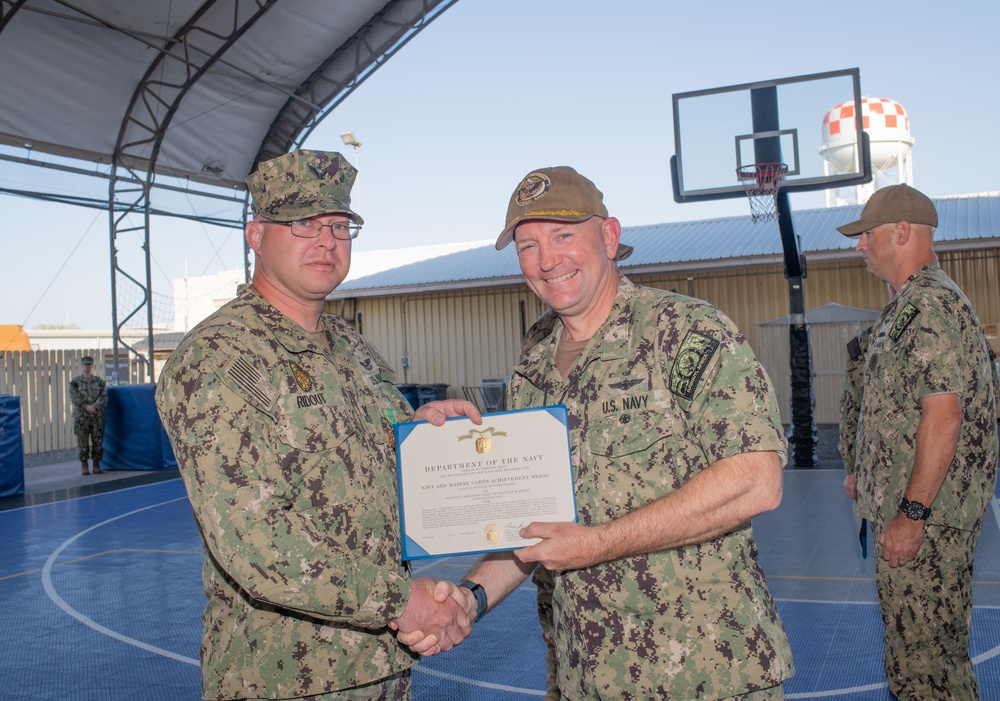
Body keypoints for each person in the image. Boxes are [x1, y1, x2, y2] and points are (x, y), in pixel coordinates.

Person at [404, 166, 795, 699]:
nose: (547, 261)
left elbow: (756, 480)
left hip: (704, 674)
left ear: (609, 236)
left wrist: (600, 544)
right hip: (583, 674)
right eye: (527, 246)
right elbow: (530, 528)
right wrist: (469, 596)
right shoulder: (534, 365)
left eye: (564, 236)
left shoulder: (684, 332)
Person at [155, 149, 477, 701]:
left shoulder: (351, 346)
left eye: (339, 225)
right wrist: (401, 601)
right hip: (282, 676)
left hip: (379, 666)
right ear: (256, 235)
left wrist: (419, 432)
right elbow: (255, 541)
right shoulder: (220, 357)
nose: (327, 240)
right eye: (303, 223)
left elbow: (374, 461)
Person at [836, 183, 999, 700]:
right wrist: (868, 472)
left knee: (928, 671)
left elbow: (943, 416)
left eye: (866, 234)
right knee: (916, 662)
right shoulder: (909, 307)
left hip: (927, 527)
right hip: (918, 520)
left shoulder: (929, 306)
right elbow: (901, 409)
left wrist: (910, 515)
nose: (859, 246)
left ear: (902, 232)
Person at [69, 355, 106, 475]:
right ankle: (84, 465)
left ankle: (96, 464)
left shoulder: (99, 381)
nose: (87, 367)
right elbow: (74, 398)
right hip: (81, 417)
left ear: (92, 366)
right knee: (82, 443)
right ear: (81, 366)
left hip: (96, 416)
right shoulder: (75, 382)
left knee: (97, 442)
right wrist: (86, 407)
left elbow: (104, 396)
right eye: (85, 364)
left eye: (89, 364)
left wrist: (94, 406)